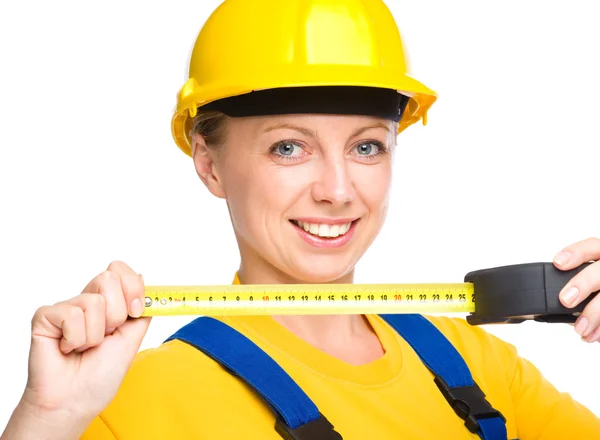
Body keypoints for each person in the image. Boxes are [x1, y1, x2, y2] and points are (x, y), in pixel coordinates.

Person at [2, 0, 600, 439]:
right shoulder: (123, 402)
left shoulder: (476, 362)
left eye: (367, 147)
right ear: (209, 165)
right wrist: (46, 423)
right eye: (289, 147)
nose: (338, 191)